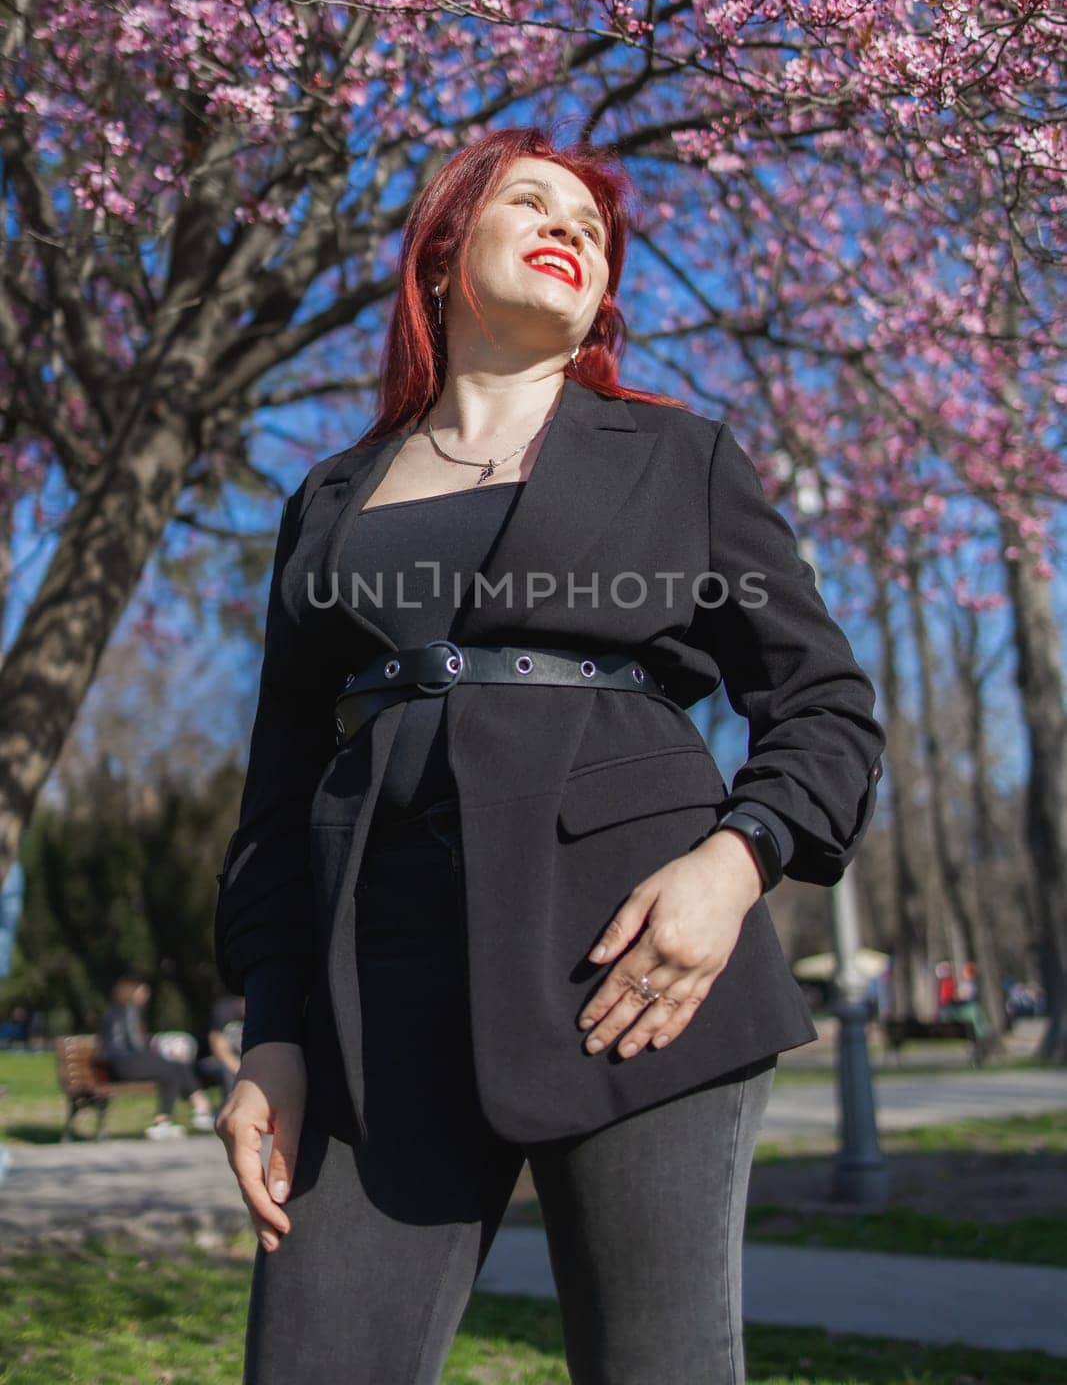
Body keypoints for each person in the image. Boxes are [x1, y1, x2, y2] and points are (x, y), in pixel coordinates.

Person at [214, 125, 886, 1384]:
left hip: (635, 965)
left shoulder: (681, 460)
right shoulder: (329, 496)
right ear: (438, 256)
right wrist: (273, 1030)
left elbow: (825, 707)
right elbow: (274, 795)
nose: (571, 228)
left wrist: (732, 867)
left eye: (591, 224)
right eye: (532, 203)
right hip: (374, 985)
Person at [98, 975, 215, 1139]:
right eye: (143, 991)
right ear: (132, 992)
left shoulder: (117, 1011)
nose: (146, 996)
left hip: (120, 1064)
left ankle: (169, 1120)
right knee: (173, 1067)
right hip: (127, 1063)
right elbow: (136, 1044)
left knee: (173, 1068)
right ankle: (199, 1107)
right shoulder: (130, 1011)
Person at [196, 992, 245, 1103]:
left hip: (246, 1062)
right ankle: (230, 1104)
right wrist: (243, 1069)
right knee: (226, 1069)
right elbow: (219, 1050)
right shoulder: (224, 1010)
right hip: (215, 1060)